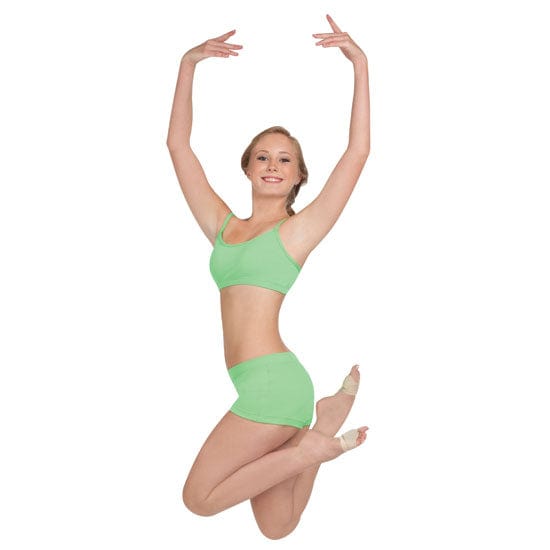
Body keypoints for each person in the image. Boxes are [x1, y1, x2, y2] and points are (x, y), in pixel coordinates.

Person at [166, 14, 371, 540]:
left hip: (273, 387)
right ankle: (325, 424)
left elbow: (357, 154)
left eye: (285, 159)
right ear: (248, 168)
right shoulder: (222, 227)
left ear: (299, 176)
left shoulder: (296, 233)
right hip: (262, 384)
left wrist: (360, 65)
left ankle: (314, 447)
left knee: (199, 499)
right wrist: (188, 65)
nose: (272, 165)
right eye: (262, 156)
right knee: (278, 526)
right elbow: (179, 149)